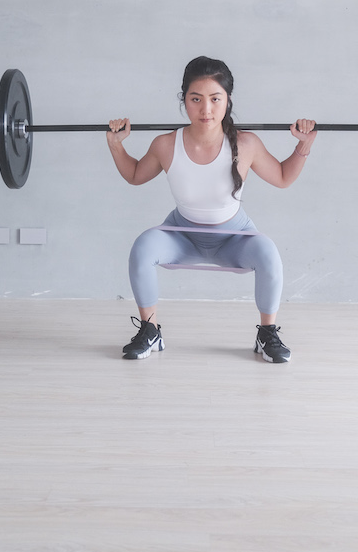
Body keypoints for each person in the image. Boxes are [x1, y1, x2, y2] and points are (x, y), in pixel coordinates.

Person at [106, 56, 317, 363]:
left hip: (235, 239)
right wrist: (116, 145)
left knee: (268, 253)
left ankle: (267, 334)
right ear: (185, 101)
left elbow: (283, 177)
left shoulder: (246, 144)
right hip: (182, 236)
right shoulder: (166, 144)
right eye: (196, 99)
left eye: (215, 99)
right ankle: (150, 330)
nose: (206, 110)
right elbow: (136, 175)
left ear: (227, 100)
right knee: (143, 247)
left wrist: (304, 145)